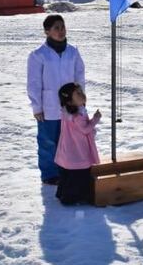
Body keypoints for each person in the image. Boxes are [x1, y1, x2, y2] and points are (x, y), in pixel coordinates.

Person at [27, 14, 86, 186]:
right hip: (49, 107)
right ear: (47, 31)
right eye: (56, 28)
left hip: (70, 106)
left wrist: (80, 99)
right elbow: (34, 82)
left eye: (62, 27)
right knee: (48, 141)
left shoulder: (73, 52)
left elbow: (79, 76)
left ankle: (66, 169)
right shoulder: (39, 55)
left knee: (68, 140)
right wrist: (37, 107)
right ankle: (50, 174)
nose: (61, 31)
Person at [54, 83, 102, 205]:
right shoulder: (77, 116)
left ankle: (62, 193)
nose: (82, 95)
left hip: (68, 150)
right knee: (79, 174)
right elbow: (85, 129)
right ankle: (72, 198)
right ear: (70, 102)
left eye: (81, 91)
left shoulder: (67, 112)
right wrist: (95, 119)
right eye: (78, 94)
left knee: (67, 174)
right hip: (78, 151)